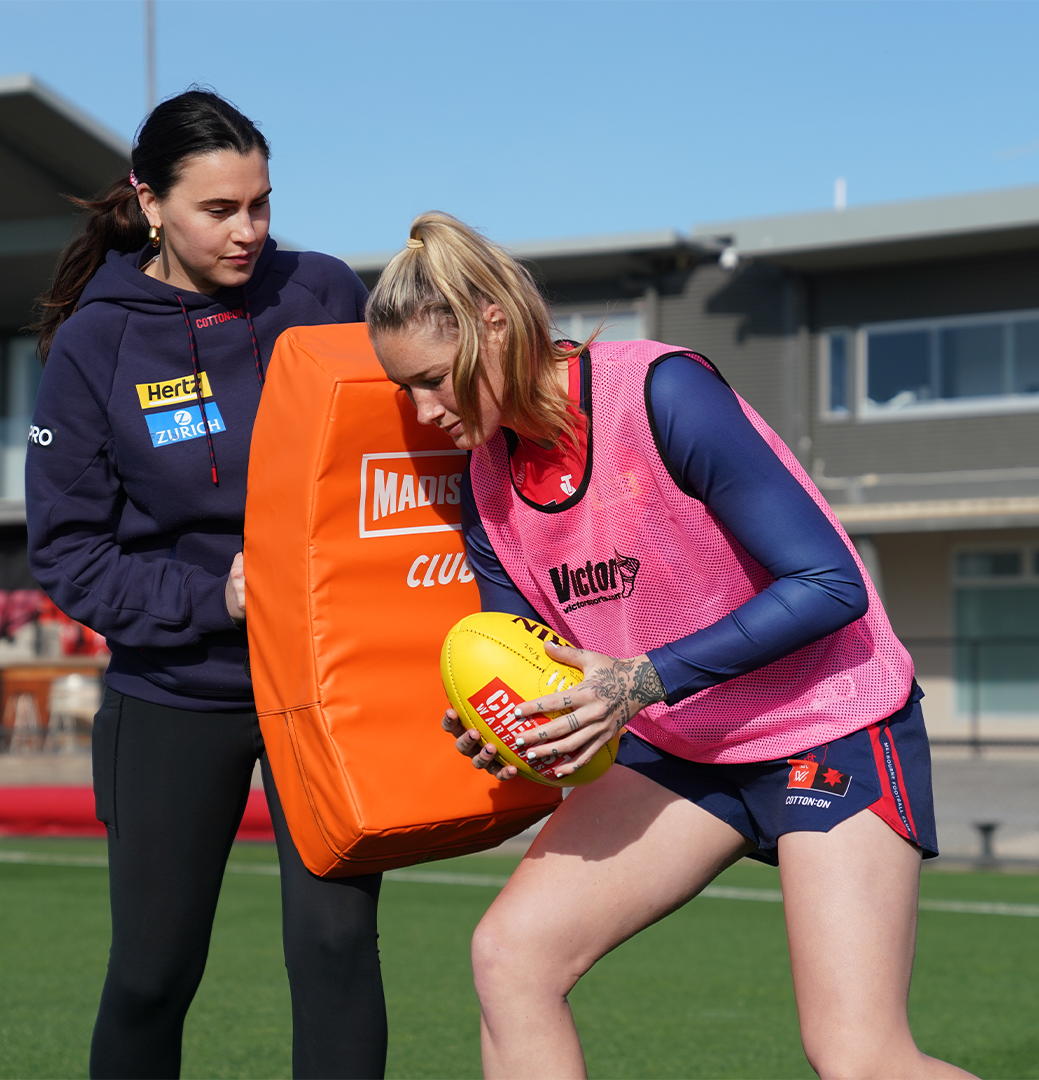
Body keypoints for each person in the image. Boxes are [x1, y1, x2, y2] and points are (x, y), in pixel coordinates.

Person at [366, 212, 975, 1080]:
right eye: (406, 392)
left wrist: (640, 681)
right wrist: (515, 731)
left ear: (491, 325)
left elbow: (829, 586)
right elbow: (536, 658)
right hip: (682, 742)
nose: (425, 411)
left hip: (828, 721)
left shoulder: (660, 392)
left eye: (432, 379)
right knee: (512, 958)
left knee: (857, 1055)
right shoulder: (487, 488)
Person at [27, 90, 386, 1080]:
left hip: (323, 687)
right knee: (151, 974)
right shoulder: (96, 345)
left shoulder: (322, 291)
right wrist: (213, 600)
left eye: (261, 204)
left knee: (336, 951)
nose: (248, 232)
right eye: (218, 210)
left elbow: (390, 467)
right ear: (150, 203)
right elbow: (68, 552)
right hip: (176, 691)